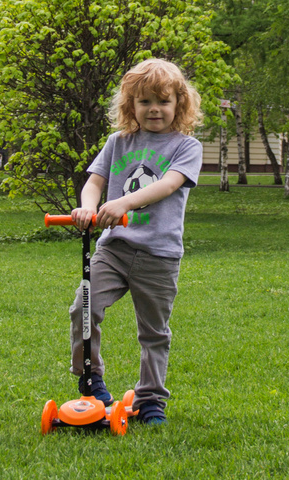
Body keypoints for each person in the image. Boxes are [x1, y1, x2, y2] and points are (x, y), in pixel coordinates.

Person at [70, 58, 203, 425]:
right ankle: (90, 376)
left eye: (163, 101)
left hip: (159, 254)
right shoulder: (119, 142)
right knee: (84, 307)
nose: (154, 109)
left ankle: (151, 400)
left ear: (180, 104)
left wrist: (125, 201)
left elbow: (169, 183)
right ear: (131, 106)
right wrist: (87, 208)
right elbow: (95, 181)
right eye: (144, 102)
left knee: (154, 332)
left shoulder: (186, 147)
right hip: (114, 248)